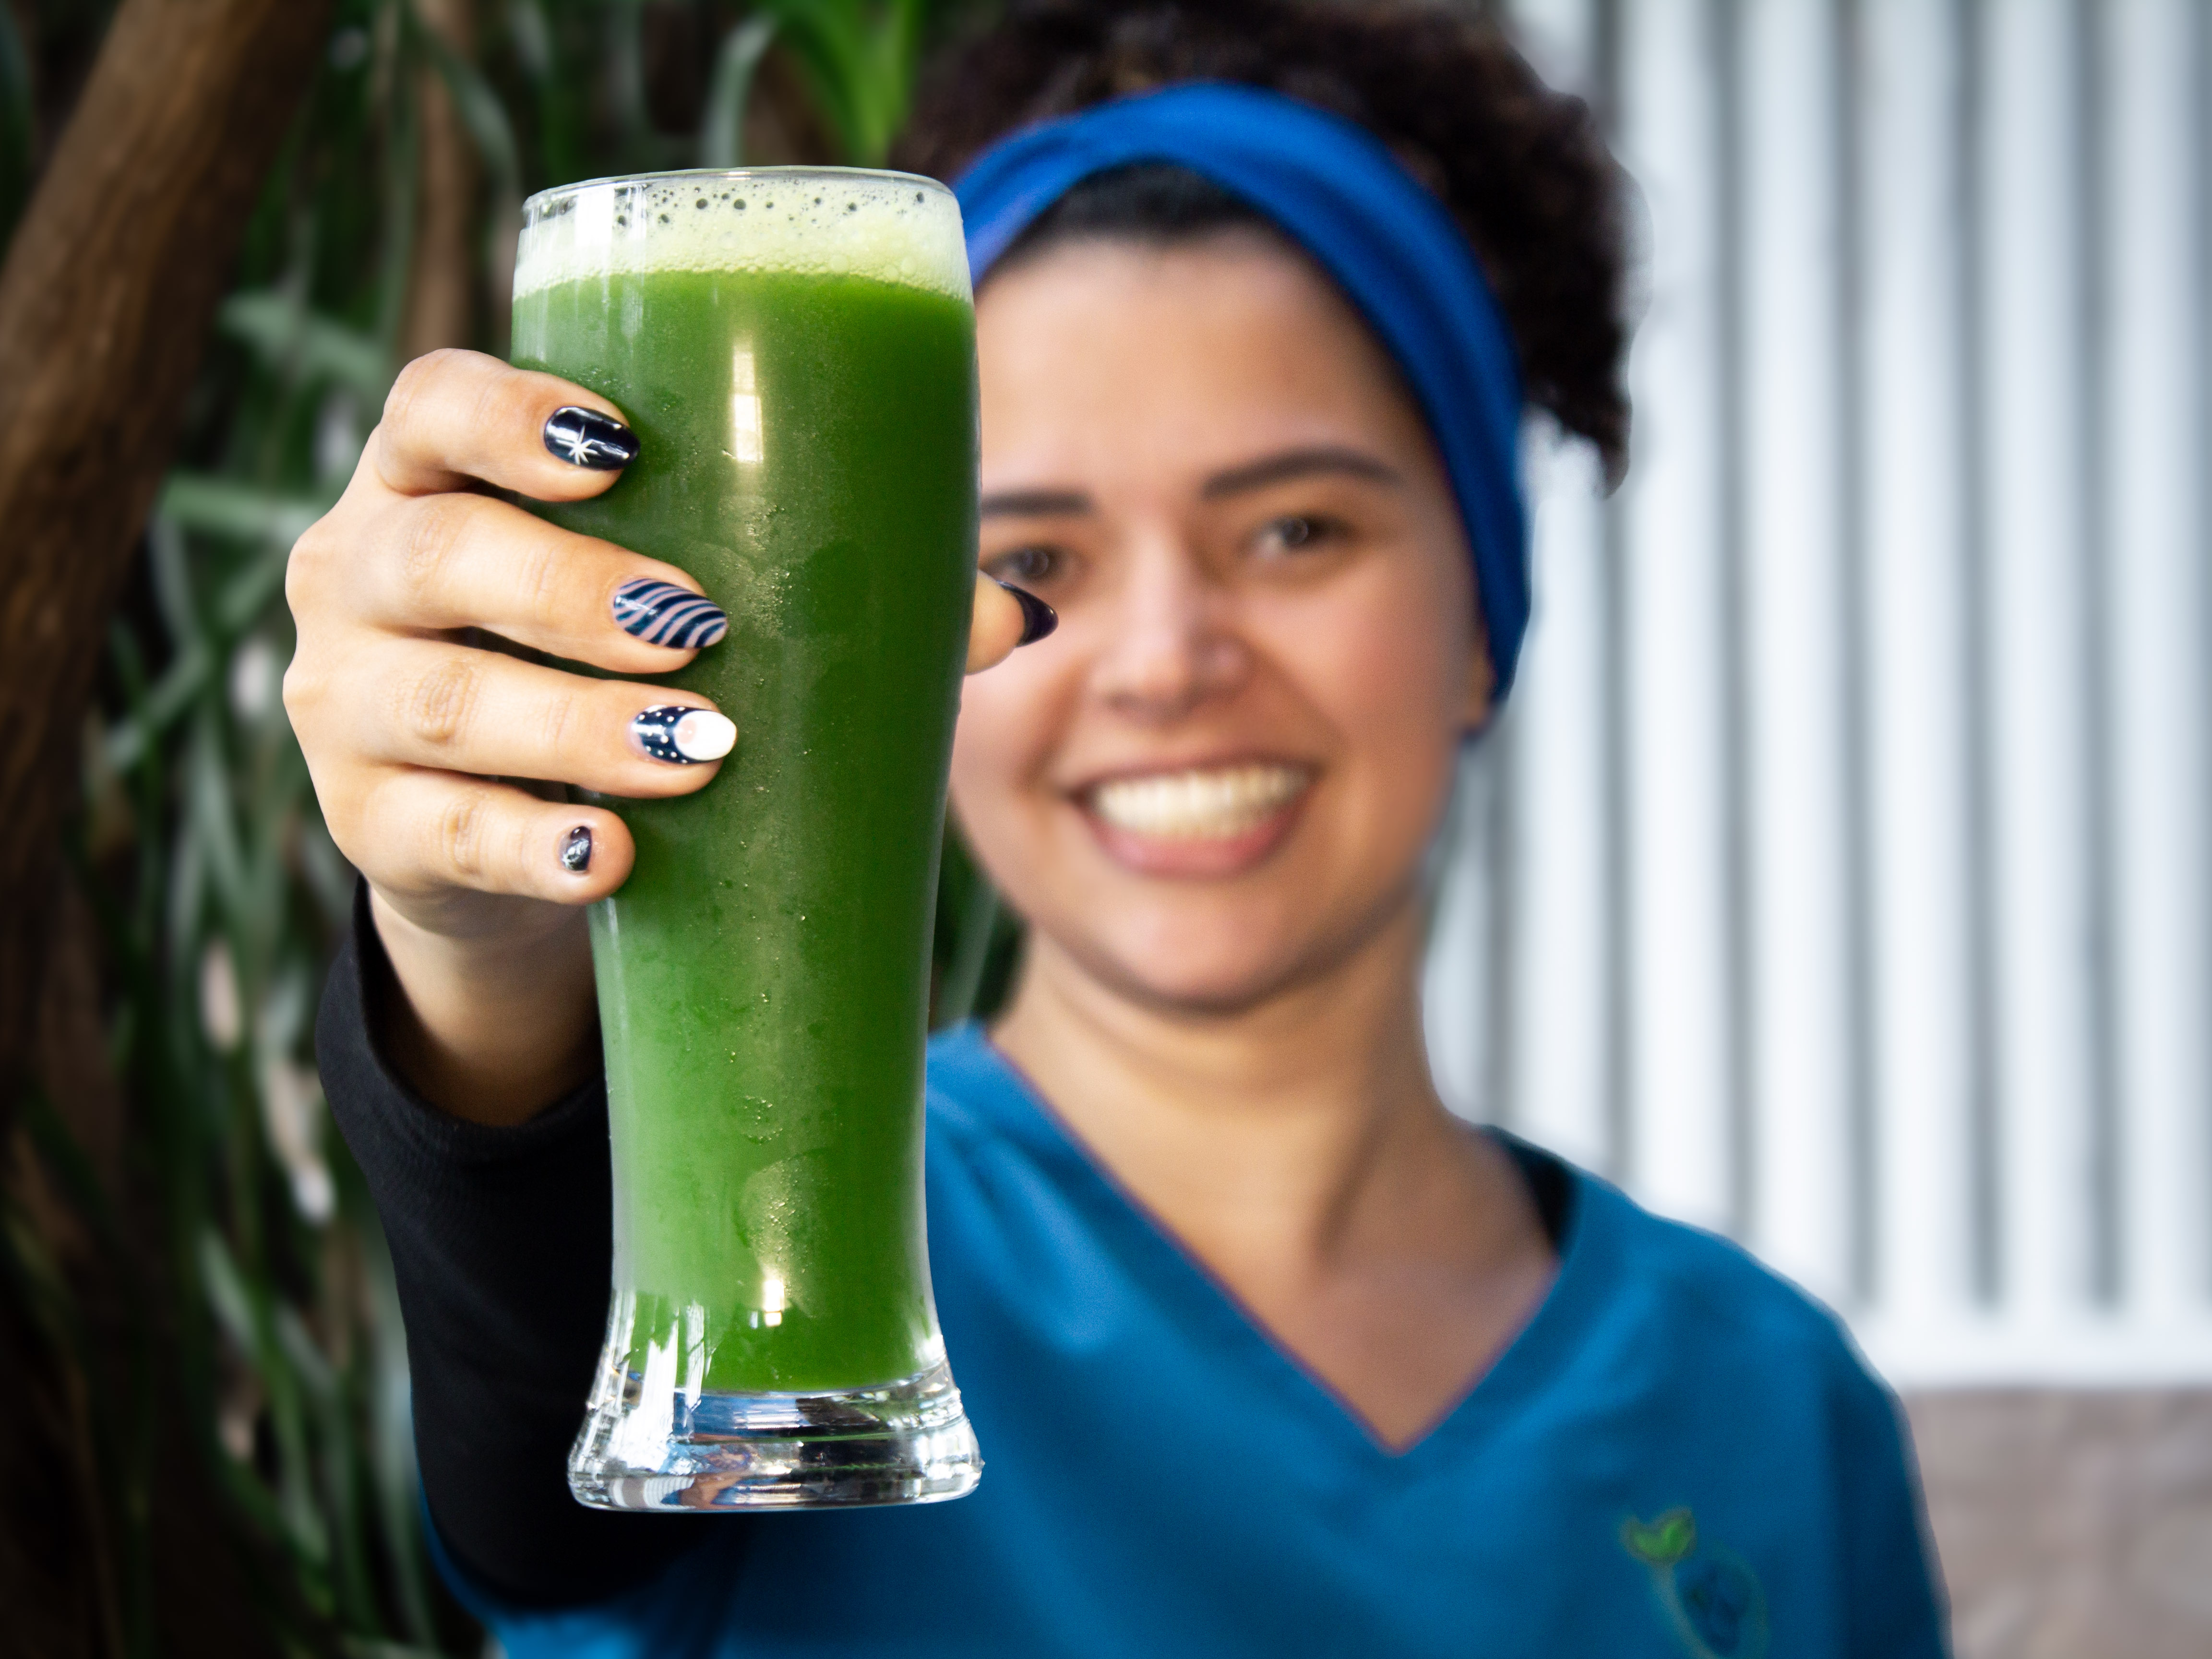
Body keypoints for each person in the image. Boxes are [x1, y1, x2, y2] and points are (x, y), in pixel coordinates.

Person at [288, 2, 1949, 1653]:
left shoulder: (1775, 1417)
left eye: (1296, 530)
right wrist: (475, 938)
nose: (1166, 664)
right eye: (1039, 560)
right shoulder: (772, 1255)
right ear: (884, 648)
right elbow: (532, 1420)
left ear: (1477, 610)